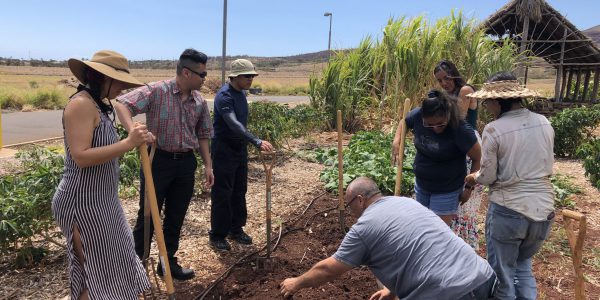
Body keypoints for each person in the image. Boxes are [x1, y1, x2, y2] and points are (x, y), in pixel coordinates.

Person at [279, 177, 496, 300]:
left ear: (360, 200)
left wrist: (296, 283)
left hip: (449, 293)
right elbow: (418, 248)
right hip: (483, 277)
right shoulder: (405, 203)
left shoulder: (364, 227)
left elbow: (330, 268)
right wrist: (391, 291)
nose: (349, 210)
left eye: (349, 204)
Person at [52, 50, 153, 299]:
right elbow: (81, 156)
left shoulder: (102, 104)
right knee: (95, 270)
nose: (122, 89)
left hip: (104, 199)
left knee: (116, 262)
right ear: (100, 78)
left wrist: (136, 134)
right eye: (118, 82)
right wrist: (129, 142)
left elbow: (121, 109)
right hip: (82, 201)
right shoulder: (81, 105)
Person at [114, 48, 213, 280]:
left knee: (176, 216)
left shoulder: (199, 101)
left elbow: (203, 135)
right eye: (202, 74)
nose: (205, 78)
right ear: (187, 73)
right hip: (157, 161)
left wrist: (208, 165)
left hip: (186, 163)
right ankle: (136, 267)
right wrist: (132, 134)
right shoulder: (158, 91)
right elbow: (122, 104)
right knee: (148, 215)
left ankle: (167, 262)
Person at [465, 72, 555, 300]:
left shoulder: (495, 129)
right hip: (542, 211)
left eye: (487, 103)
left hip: (509, 211)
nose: (487, 108)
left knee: (503, 277)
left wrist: (471, 177)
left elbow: (487, 176)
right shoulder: (543, 122)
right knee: (522, 265)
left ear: (496, 101)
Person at [209, 59, 274, 251]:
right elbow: (234, 124)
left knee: (239, 190)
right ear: (235, 76)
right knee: (223, 192)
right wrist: (256, 141)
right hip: (224, 149)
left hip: (238, 148)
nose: (251, 79)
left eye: (252, 76)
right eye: (247, 76)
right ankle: (217, 234)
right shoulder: (224, 96)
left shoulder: (241, 94)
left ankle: (235, 229)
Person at [392, 89, 481, 226]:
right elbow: (404, 122)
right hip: (422, 185)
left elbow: (477, 158)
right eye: (429, 124)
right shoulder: (417, 115)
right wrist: (397, 141)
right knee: (420, 226)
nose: (435, 128)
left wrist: (468, 188)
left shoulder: (460, 129)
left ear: (448, 115)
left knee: (437, 233)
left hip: (447, 190)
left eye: (440, 124)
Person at [434, 60, 482, 249]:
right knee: (451, 201)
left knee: (464, 202)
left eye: (446, 78)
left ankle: (463, 249)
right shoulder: (446, 95)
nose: (444, 83)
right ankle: (452, 247)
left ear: (454, 73)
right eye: (440, 81)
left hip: (468, 146)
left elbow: (457, 121)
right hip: (453, 145)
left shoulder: (465, 90)